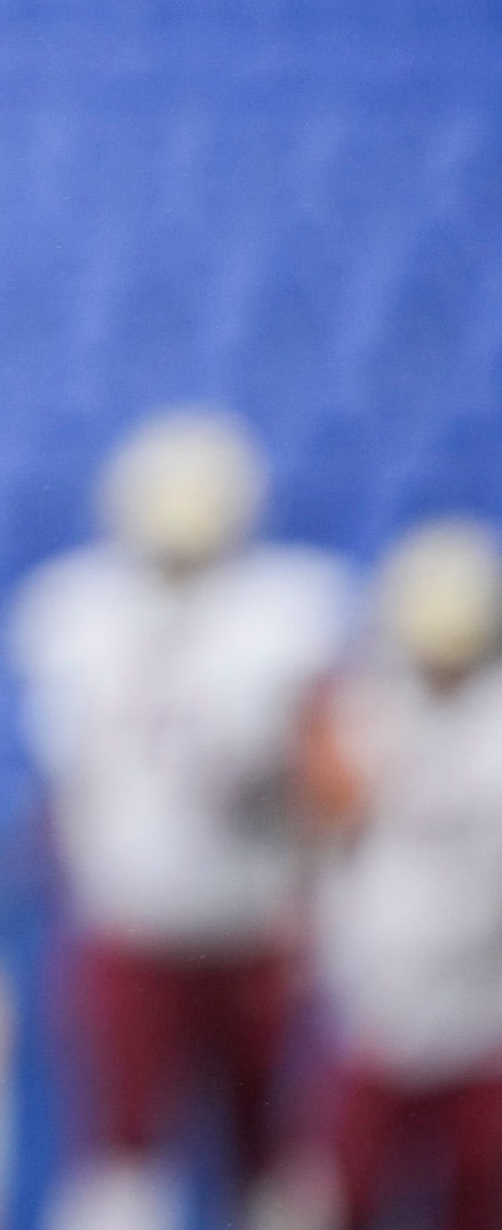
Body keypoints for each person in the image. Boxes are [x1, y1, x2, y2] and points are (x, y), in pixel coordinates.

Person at [14, 409, 351, 1230]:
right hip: (129, 915)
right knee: (122, 1154)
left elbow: (330, 781)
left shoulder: (289, 610)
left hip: (252, 914)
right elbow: (67, 790)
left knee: (268, 1152)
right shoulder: (76, 608)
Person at [303, 518, 502, 1230]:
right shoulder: (364, 708)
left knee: (479, 1196)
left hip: (484, 1013)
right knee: (345, 1192)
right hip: (378, 1006)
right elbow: (324, 818)